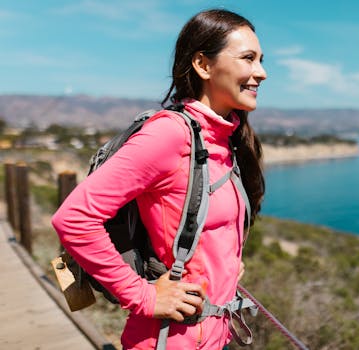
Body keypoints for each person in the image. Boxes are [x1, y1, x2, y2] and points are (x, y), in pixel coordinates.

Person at [52, 8, 266, 349]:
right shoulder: (170, 134)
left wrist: (224, 266)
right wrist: (142, 296)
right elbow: (74, 218)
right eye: (248, 58)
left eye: (260, 60)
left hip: (212, 335)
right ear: (203, 65)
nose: (261, 73)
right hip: (168, 339)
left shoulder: (223, 139)